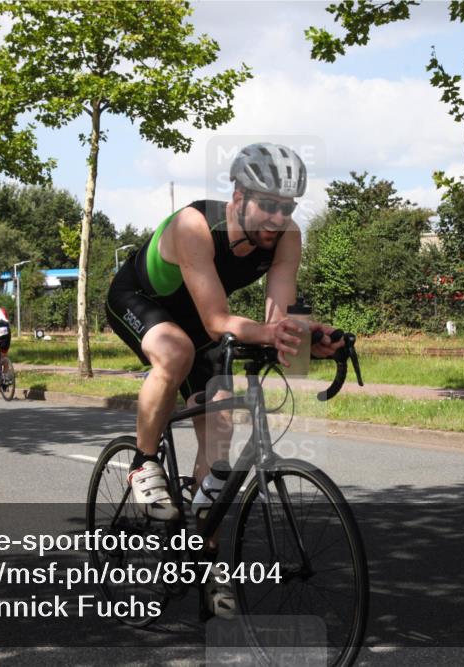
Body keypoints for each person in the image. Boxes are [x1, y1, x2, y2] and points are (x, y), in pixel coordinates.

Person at [106, 142, 344, 616]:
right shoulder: (195, 226)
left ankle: (206, 561)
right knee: (175, 352)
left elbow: (280, 319)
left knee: (219, 443)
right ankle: (144, 463)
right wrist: (274, 333)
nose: (278, 218)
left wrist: (307, 339)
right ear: (238, 196)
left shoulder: (288, 237)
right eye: (268, 205)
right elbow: (218, 322)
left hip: (198, 320)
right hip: (139, 301)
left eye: (287, 207)